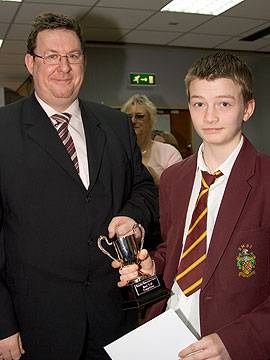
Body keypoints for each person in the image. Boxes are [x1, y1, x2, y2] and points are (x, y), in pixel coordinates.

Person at [0, 13, 158, 360]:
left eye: (73, 56)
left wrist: (132, 215)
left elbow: (144, 189)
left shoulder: (115, 125)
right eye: (51, 56)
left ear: (83, 61)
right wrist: (2, 323)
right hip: (35, 326)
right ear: (30, 62)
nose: (64, 66)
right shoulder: (4, 131)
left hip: (114, 318)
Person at [115, 52, 270, 359]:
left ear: (247, 109)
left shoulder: (266, 180)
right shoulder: (175, 178)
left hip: (229, 338)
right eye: (199, 103)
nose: (209, 116)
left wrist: (235, 341)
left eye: (224, 104)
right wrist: (152, 266)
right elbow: (175, 249)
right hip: (166, 332)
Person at [121, 94, 182, 187]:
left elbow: (179, 189)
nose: (133, 121)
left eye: (139, 116)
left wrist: (157, 180)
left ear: (151, 120)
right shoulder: (117, 152)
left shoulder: (169, 153)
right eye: (129, 117)